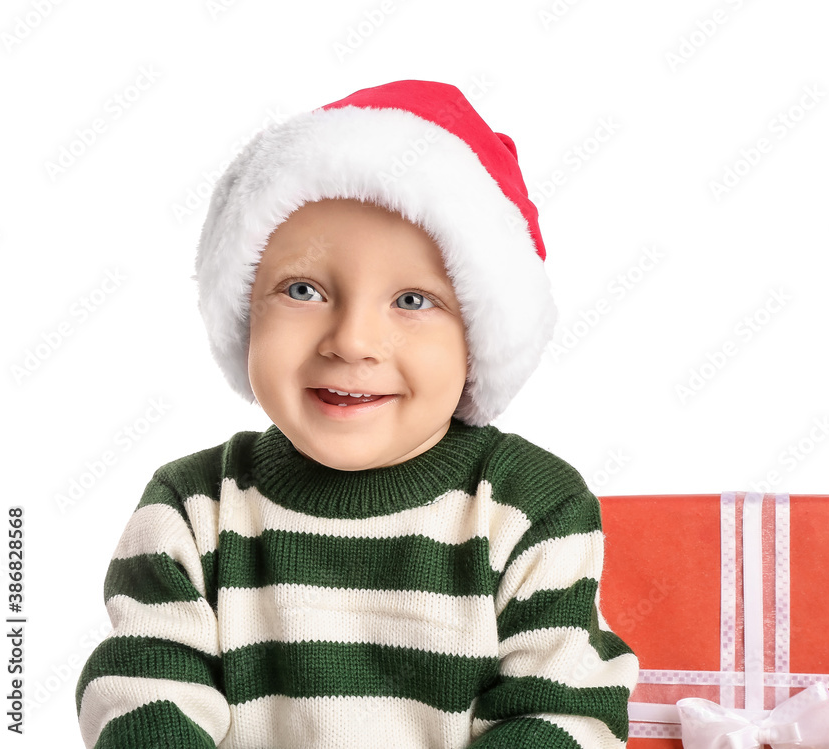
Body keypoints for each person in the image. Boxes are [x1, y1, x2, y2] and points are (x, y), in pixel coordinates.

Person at [75, 79, 639, 748]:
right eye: (303, 289)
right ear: (242, 309)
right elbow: (143, 691)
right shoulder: (193, 507)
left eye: (412, 301)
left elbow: (562, 710)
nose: (351, 341)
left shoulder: (529, 506)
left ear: (481, 339)